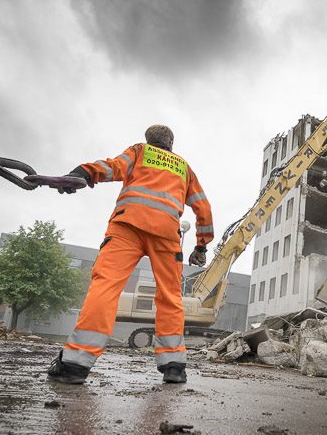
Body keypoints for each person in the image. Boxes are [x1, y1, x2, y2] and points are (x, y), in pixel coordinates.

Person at [47, 125, 214, 384]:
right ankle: (174, 366)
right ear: (171, 142)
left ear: (149, 140)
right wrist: (202, 245)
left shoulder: (139, 151)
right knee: (170, 296)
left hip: (127, 227)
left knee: (106, 287)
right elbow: (203, 206)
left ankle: (74, 365)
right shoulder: (184, 167)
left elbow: (113, 167)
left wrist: (81, 174)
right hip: (167, 233)